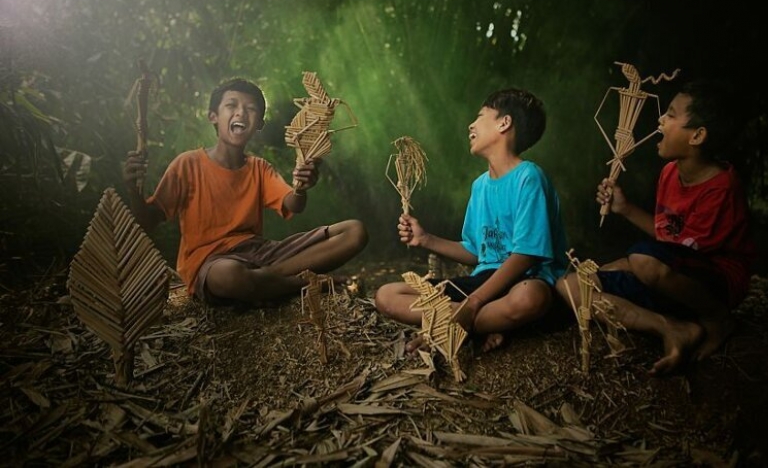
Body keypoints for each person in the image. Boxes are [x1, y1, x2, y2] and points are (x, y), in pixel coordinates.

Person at [559, 79, 755, 375]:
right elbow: (668, 236)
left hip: (712, 286)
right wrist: (624, 208)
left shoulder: (721, 187)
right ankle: (670, 327)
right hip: (669, 276)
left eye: (672, 115)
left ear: (698, 135)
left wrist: (632, 264)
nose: (660, 119)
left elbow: (683, 253)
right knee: (573, 285)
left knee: (640, 260)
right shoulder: (669, 173)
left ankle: (717, 319)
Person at [123, 77, 368, 305]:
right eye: (231, 105)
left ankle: (268, 278)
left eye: (251, 109)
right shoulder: (187, 164)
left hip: (260, 253)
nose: (241, 112)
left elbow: (293, 204)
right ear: (213, 116)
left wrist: (302, 188)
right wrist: (133, 189)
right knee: (231, 277)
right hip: (212, 263)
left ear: (259, 123)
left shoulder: (259, 168)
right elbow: (146, 221)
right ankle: (304, 283)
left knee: (355, 231)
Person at [374, 88, 568, 352]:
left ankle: (456, 323)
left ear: (504, 122)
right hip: (485, 280)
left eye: (480, 116)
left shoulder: (529, 177)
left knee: (530, 297)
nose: (471, 124)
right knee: (387, 295)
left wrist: (473, 303)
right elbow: (476, 252)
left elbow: (526, 256)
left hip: (524, 280)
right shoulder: (480, 187)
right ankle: (484, 323)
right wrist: (426, 239)